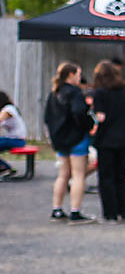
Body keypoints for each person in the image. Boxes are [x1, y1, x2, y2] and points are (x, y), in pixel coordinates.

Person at [44, 62, 94, 222]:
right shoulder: (75, 93)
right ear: (71, 75)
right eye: (79, 74)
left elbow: (47, 117)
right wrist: (89, 124)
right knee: (78, 175)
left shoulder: (54, 93)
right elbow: (79, 113)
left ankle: (57, 209)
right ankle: (75, 211)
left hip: (60, 138)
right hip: (77, 137)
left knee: (63, 174)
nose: (80, 77)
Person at [88, 60, 125, 222]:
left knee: (106, 177)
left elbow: (100, 117)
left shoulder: (100, 93)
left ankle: (110, 213)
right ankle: (124, 211)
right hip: (123, 138)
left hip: (105, 139)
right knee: (121, 176)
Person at [0, 91, 27, 180]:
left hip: (17, 141)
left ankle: (6, 168)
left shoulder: (8, 109)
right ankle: (4, 167)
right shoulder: (6, 110)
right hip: (12, 139)